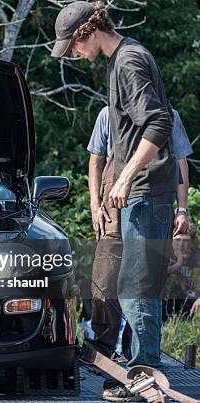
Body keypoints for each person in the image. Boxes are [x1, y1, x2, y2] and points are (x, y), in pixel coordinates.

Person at [52, 2, 178, 399]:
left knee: (137, 287)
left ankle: (146, 372)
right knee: (133, 285)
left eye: (72, 46)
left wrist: (123, 177)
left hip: (144, 192)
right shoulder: (120, 59)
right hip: (138, 192)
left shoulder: (129, 61)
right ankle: (142, 368)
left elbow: (159, 122)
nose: (73, 53)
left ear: (88, 32)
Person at [86, 105, 192, 357]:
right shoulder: (106, 113)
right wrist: (94, 206)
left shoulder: (170, 115)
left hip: (155, 198)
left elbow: (180, 163)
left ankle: (134, 349)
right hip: (112, 201)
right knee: (105, 275)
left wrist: (183, 209)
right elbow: (96, 161)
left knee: (146, 277)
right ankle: (103, 344)